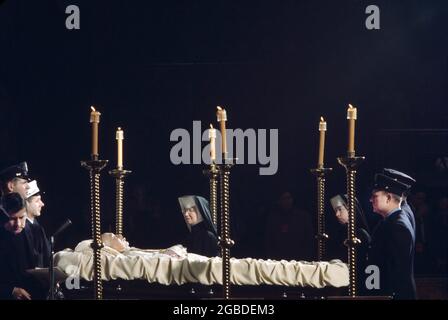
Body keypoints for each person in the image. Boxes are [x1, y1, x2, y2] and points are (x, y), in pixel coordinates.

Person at [368, 172, 416, 299]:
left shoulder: (398, 226)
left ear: (388, 198)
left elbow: (396, 271)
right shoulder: (391, 220)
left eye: (375, 196)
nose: (370, 200)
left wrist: (374, 290)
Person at [0, 192, 46, 300]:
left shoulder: (35, 230)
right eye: (12, 219)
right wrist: (11, 291)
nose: (18, 224)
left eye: (21, 217)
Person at [330, 194, 371, 294]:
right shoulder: (339, 232)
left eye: (340, 209)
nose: (337, 214)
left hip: (360, 284)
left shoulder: (361, 234)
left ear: (351, 209)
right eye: (335, 211)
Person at [25, 180, 51, 268]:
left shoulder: (38, 228)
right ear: (26, 204)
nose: (42, 204)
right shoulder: (19, 230)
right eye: (37, 201)